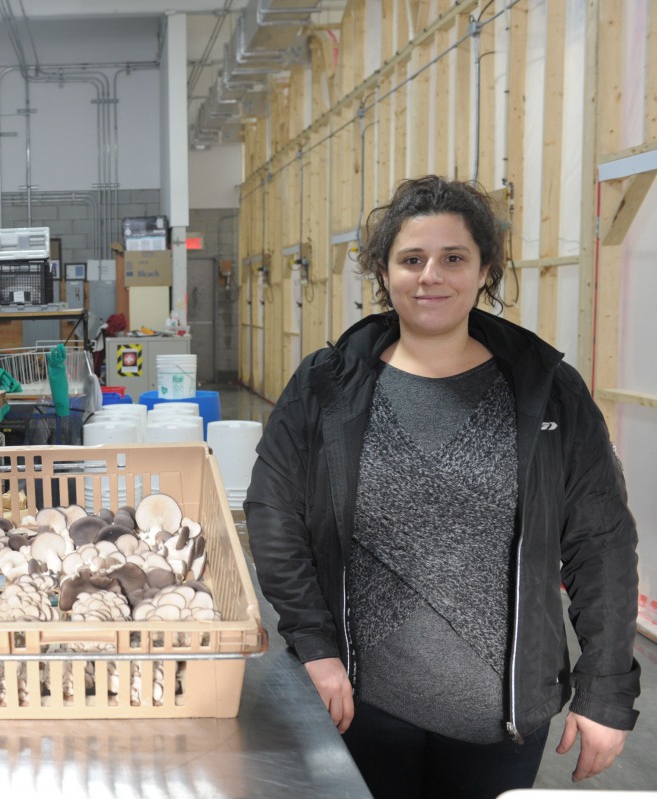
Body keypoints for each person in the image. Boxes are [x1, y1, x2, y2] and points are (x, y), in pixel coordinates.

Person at [245, 175, 639, 799]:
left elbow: (602, 542)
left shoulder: (549, 391)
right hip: (355, 702)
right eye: (411, 259)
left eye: (453, 258)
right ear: (383, 270)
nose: (432, 275)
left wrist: (608, 690)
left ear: (485, 270)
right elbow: (274, 514)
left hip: (498, 718)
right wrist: (315, 648)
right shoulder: (327, 385)